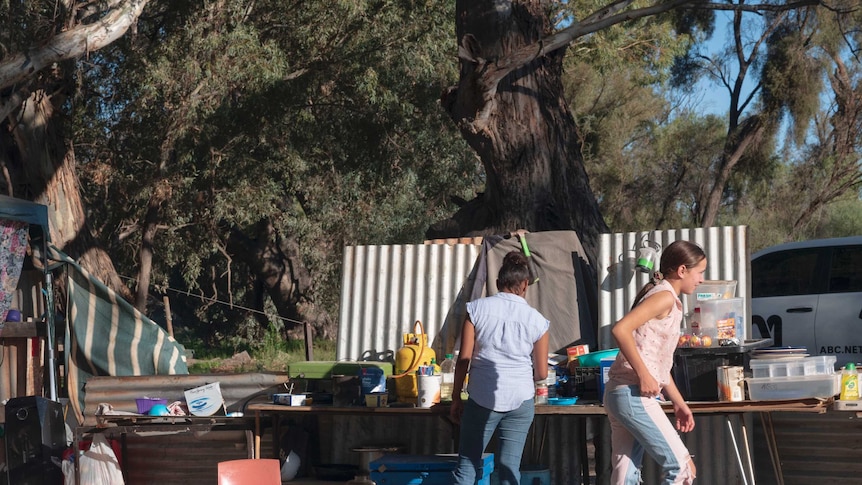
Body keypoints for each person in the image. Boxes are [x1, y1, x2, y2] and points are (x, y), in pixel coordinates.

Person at [604, 240, 706, 484]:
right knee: (683, 469)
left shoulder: (665, 297)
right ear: (682, 270)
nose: (701, 279)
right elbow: (621, 329)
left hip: (621, 394)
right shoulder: (664, 298)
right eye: (699, 272)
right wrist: (643, 375)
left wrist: (678, 403)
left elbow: (658, 363)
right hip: (633, 394)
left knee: (625, 476)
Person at [450, 250, 550, 485]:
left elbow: (464, 359)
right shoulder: (537, 320)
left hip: (482, 396)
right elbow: (542, 373)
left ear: (497, 283)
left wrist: (456, 397)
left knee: (467, 465)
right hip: (520, 399)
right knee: (509, 468)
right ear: (525, 285)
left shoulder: (475, 310)